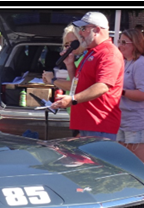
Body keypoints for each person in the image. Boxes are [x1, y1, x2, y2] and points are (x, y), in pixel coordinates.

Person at [50, 12, 124, 141]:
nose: (80, 33)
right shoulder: (92, 52)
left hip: (99, 124)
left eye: (83, 29)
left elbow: (102, 86)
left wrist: (72, 99)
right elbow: (77, 85)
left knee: (98, 161)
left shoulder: (108, 53)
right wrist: (70, 65)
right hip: (86, 123)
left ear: (96, 30)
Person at [117, 29, 144, 172]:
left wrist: (121, 92)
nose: (120, 46)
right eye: (119, 41)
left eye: (124, 42)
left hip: (137, 119)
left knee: (141, 165)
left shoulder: (141, 64)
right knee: (123, 163)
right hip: (123, 118)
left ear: (135, 44)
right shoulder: (125, 62)